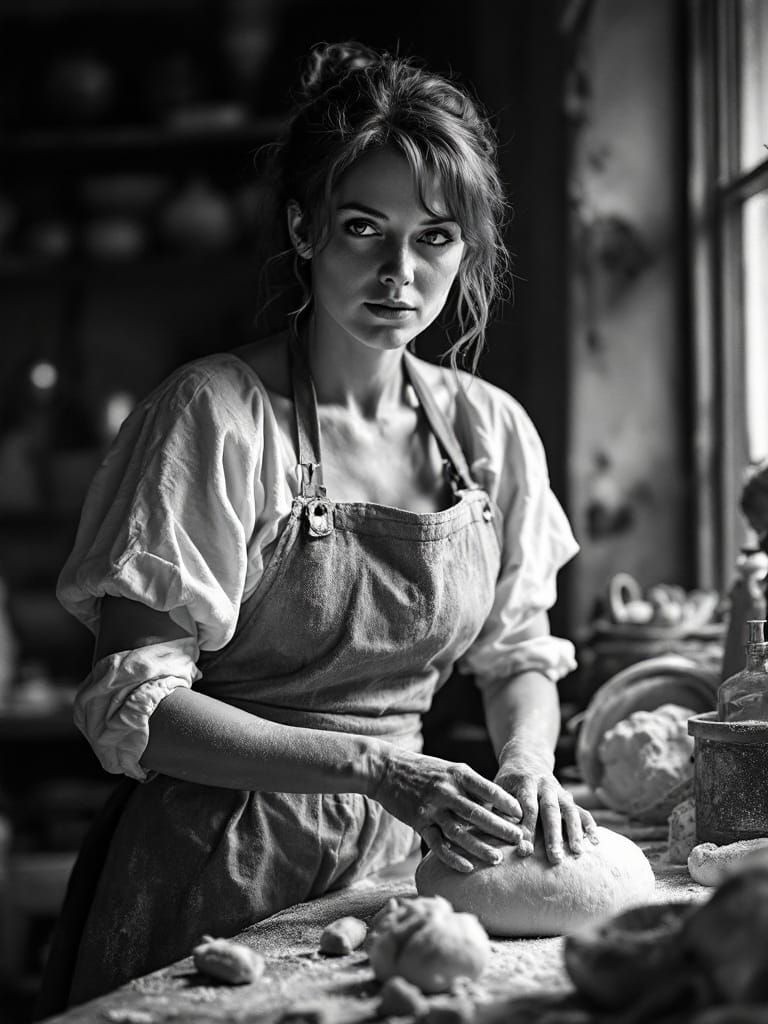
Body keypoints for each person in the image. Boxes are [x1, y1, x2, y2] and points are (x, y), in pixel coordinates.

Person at [37, 40, 597, 1013]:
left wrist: (526, 764)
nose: (400, 273)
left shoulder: (489, 431)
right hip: (217, 862)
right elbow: (136, 702)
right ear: (302, 229)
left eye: (435, 237)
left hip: (399, 867)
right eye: (362, 228)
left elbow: (517, 659)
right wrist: (374, 766)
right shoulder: (213, 416)